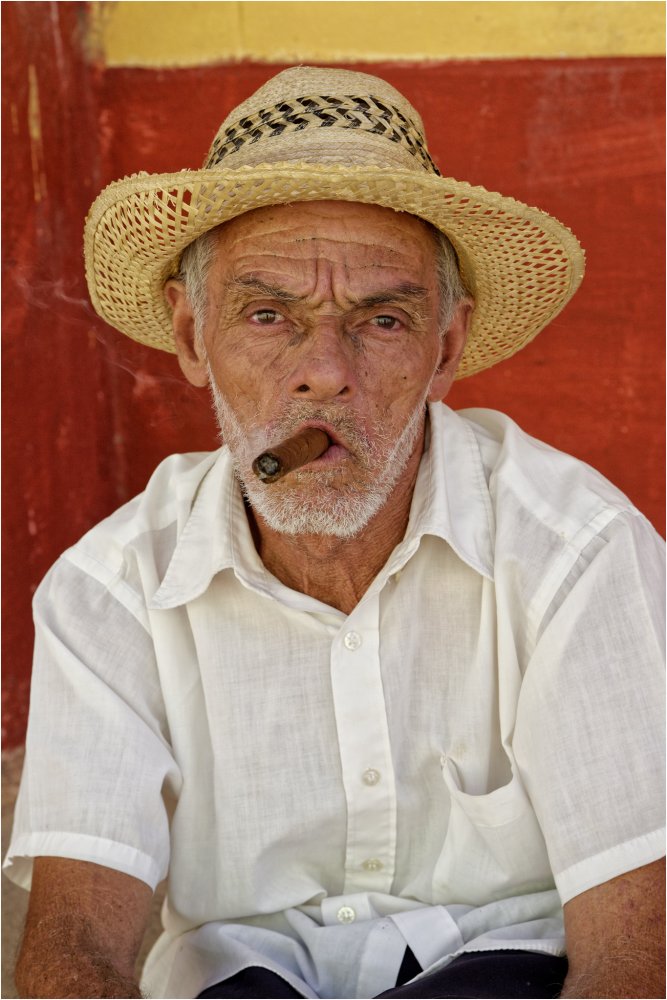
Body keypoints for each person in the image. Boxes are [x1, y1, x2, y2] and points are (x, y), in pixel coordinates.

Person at [5, 67, 664, 1000]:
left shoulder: (576, 550)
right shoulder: (109, 589)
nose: (323, 372)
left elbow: (637, 953)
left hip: (506, 972)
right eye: (268, 315)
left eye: (381, 320)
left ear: (444, 347)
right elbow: (73, 952)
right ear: (192, 337)